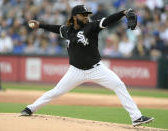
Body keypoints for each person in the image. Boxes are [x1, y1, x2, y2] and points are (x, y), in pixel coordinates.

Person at [21, 5, 154, 126]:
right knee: (57, 91)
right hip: (75, 71)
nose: (86, 17)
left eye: (87, 14)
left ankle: (136, 117)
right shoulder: (67, 30)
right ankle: (30, 108)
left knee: (119, 85)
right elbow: (56, 29)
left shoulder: (92, 27)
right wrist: (40, 25)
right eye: (83, 14)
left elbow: (107, 20)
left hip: (96, 69)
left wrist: (123, 13)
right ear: (74, 17)